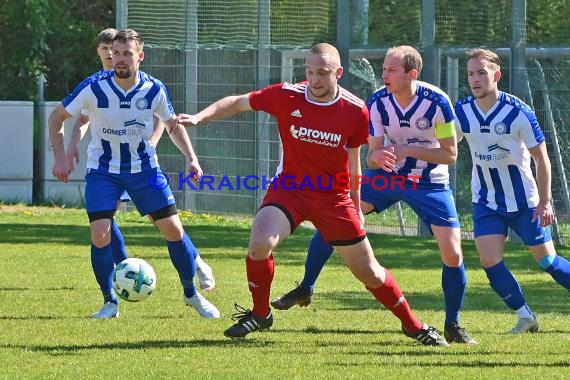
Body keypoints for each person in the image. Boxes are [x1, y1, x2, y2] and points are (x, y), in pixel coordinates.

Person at [178, 43, 448, 345]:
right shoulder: (286, 95)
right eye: (309, 72)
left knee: (370, 272)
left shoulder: (354, 110)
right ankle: (260, 313)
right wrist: (200, 118)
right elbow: (238, 102)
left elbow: (354, 163)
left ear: (338, 73)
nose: (315, 79)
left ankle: (414, 326)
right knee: (258, 243)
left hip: (333, 200)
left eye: (322, 73)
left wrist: (356, 205)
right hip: (289, 191)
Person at [271, 45, 477, 344]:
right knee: (337, 218)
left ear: (412, 74)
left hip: (429, 183)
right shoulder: (378, 101)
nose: (384, 75)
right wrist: (378, 158)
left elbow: (450, 154)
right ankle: (306, 287)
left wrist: (406, 150)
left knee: (453, 252)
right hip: (386, 179)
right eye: (384, 70)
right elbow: (371, 155)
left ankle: (453, 325)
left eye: (391, 70)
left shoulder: (437, 102)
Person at [49, 29, 220, 320]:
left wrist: (191, 158)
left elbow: (172, 125)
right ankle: (110, 303)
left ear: (140, 56)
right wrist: (62, 156)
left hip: (144, 170)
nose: (119, 59)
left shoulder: (154, 89)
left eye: (127, 53)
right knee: (100, 235)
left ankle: (192, 294)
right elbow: (57, 117)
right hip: (103, 171)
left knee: (174, 231)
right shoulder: (94, 86)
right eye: (115, 53)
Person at [454, 48, 570, 333]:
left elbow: (542, 159)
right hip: (485, 200)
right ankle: (525, 316)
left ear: (497, 75)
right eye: (470, 74)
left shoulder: (518, 112)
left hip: (525, 202)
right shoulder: (461, 112)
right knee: (489, 259)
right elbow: (445, 147)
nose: (475, 79)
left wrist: (545, 202)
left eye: (481, 72)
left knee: (547, 260)